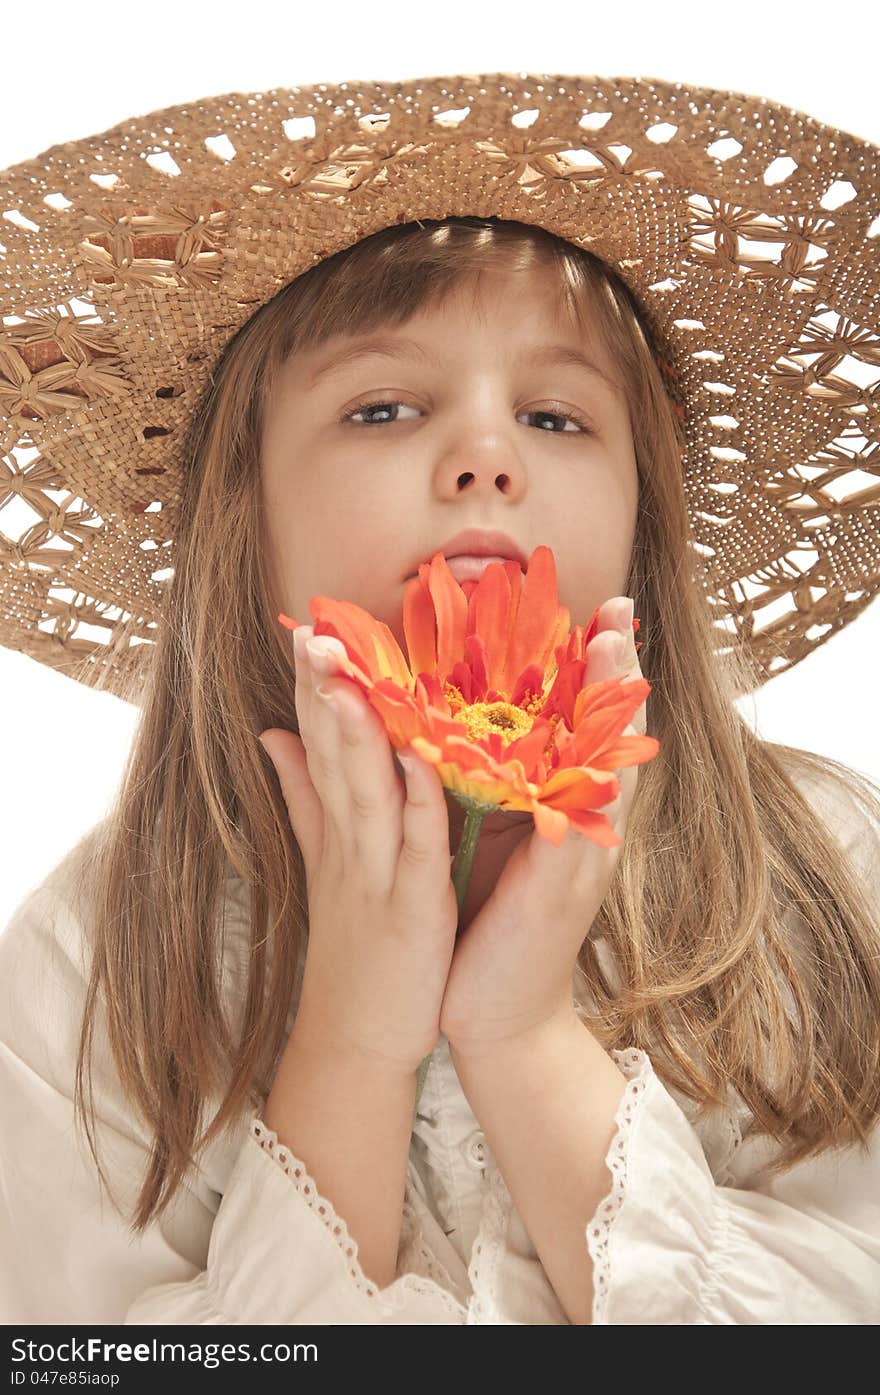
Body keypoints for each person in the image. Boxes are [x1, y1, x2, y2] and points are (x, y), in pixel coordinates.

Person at [1, 71, 879, 1326]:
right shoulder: (92, 964)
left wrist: (520, 1037)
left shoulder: (822, 875)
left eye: (555, 416)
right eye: (383, 407)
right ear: (239, 523)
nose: (485, 456)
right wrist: (351, 1043)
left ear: (645, 521)